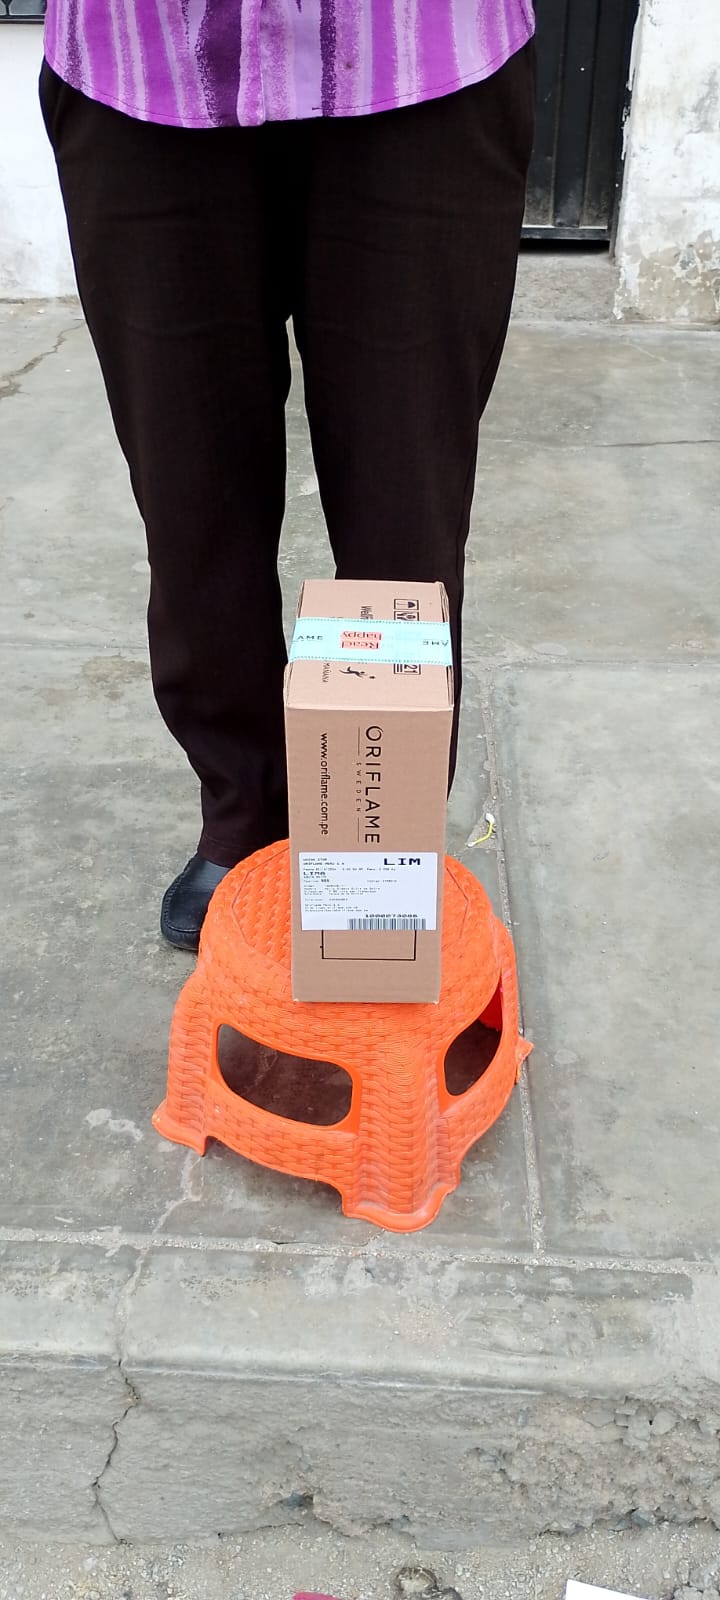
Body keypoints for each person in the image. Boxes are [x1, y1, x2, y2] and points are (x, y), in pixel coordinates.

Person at [40, 1, 536, 952]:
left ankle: (375, 838)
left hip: (421, 56)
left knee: (405, 507)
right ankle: (245, 807)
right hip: (142, 63)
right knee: (191, 496)